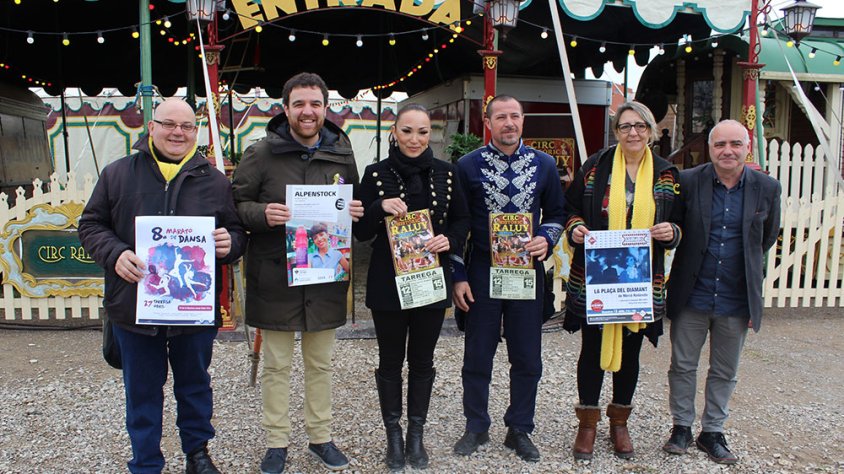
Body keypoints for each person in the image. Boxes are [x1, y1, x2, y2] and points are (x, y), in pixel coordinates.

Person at [78, 98, 246, 474]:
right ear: (151, 127)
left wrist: (229, 244)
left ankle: (197, 453)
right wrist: (115, 253)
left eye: (186, 126)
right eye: (169, 124)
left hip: (192, 308)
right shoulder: (119, 173)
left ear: (195, 132)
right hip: (135, 307)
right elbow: (90, 225)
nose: (177, 133)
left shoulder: (215, 181)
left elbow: (236, 232)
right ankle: (146, 462)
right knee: (141, 392)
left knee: (195, 386)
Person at [231, 72, 364, 474]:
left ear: (326, 108)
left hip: (322, 278)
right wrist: (262, 214)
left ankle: (320, 437)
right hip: (276, 276)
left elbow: (351, 201)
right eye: (299, 104)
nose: (308, 112)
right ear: (285, 108)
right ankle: (277, 442)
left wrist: (354, 212)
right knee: (276, 365)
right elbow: (236, 204)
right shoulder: (261, 153)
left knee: (320, 364)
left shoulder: (342, 153)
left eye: (315, 104)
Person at [353, 104, 470, 470]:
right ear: (394, 132)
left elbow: (463, 218)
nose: (415, 139)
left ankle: (415, 435)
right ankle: (393, 436)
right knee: (390, 361)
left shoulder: (447, 174)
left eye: (422, 132)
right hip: (388, 284)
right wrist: (378, 207)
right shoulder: (374, 174)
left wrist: (448, 239)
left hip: (431, 282)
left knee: (422, 361)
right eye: (407, 131)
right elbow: (360, 231)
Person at [563, 101, 682, 460]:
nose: (633, 132)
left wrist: (670, 231)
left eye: (640, 126)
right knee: (591, 348)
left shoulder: (667, 174)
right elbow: (569, 209)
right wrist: (575, 228)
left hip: (640, 280)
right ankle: (587, 422)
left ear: (651, 130)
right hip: (597, 277)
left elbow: (683, 222)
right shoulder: (594, 168)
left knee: (631, 351)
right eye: (626, 126)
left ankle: (619, 422)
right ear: (616, 132)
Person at [451, 95, 566, 463]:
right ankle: (476, 425)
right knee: (478, 352)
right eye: (500, 117)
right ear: (488, 122)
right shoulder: (467, 166)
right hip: (483, 268)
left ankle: (520, 428)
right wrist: (458, 274)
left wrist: (545, 239)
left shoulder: (545, 164)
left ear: (522, 121)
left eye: (514, 116)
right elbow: (458, 225)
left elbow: (558, 213)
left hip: (525, 269)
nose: (509, 123)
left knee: (527, 354)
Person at [662, 119, 781, 464]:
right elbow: (677, 229)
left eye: (735, 144)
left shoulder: (767, 188)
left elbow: (767, 237)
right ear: (710, 149)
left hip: (736, 296)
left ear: (748, 148)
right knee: (682, 365)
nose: (727, 151)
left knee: (725, 370)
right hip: (693, 293)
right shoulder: (688, 181)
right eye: (720, 145)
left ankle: (712, 431)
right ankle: (681, 427)